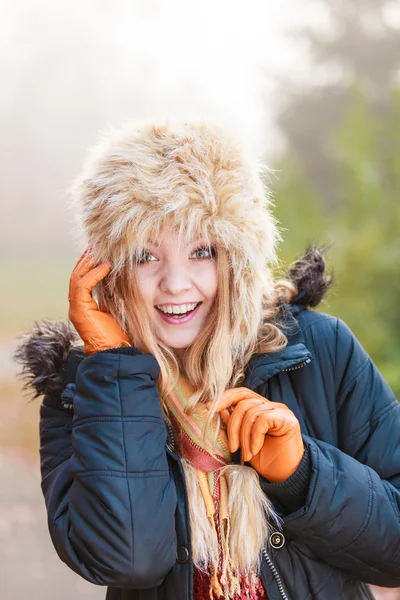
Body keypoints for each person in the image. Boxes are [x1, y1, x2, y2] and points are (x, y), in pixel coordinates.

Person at [14, 120, 400, 600]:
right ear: (107, 272)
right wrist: (115, 370)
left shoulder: (320, 351)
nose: (176, 284)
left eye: (201, 251)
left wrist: (301, 474)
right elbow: (127, 558)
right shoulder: (82, 390)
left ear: (237, 258)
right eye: (144, 256)